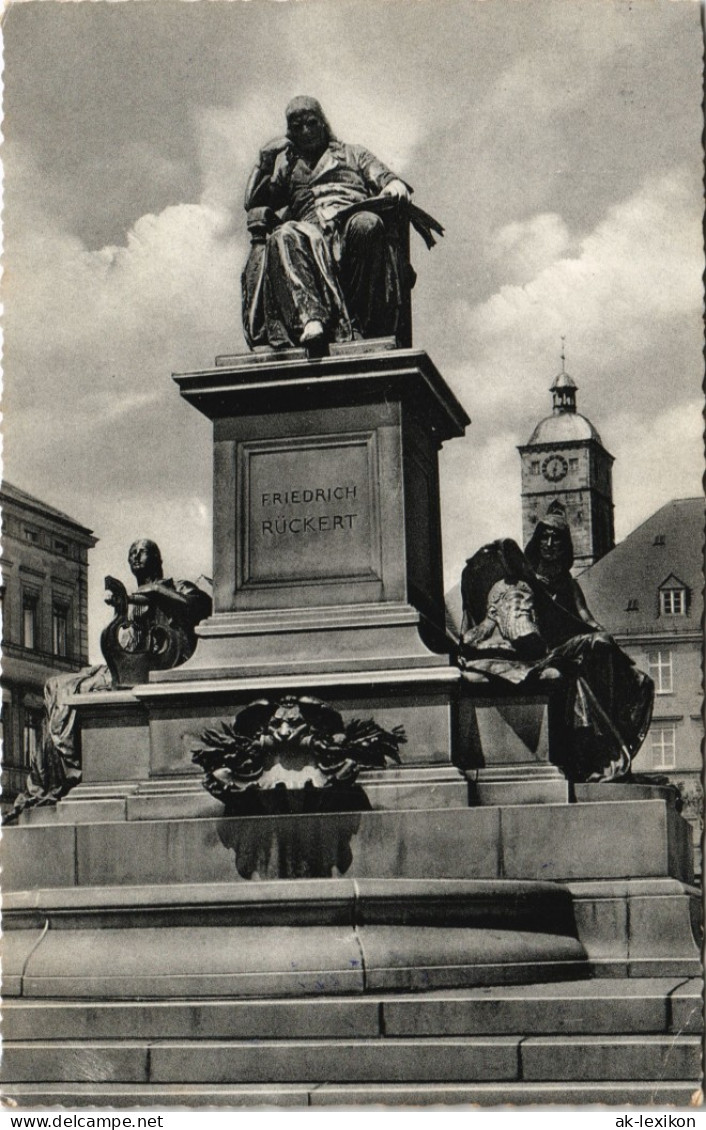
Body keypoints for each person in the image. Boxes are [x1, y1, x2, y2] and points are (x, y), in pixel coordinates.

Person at [4, 541, 211, 823]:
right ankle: (47, 782)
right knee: (56, 686)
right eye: (131, 553)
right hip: (128, 667)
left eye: (142, 551)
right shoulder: (132, 602)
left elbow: (200, 607)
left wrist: (156, 591)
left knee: (74, 689)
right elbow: (124, 644)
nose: (135, 556)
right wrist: (120, 609)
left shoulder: (178, 586)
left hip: (159, 666)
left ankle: (63, 773)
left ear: (158, 558)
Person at [458, 523, 654, 783]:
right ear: (537, 542)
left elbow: (587, 619)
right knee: (583, 668)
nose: (549, 544)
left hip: (559, 649)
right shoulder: (523, 580)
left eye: (556, 539)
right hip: (540, 651)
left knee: (604, 647)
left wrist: (605, 635)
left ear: (566, 547)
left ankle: (606, 741)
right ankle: (599, 751)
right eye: (545, 538)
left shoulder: (567, 584)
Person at [242, 96, 415, 349]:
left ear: (323, 123)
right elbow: (255, 202)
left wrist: (392, 184)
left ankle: (361, 326)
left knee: (366, 225)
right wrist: (265, 162)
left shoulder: (352, 154)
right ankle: (311, 318)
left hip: (348, 222)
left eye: (311, 123)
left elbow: (384, 177)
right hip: (310, 234)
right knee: (283, 234)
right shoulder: (289, 169)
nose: (306, 131)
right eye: (298, 127)